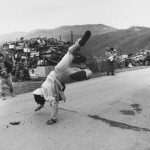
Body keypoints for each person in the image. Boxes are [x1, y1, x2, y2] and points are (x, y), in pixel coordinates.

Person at [33, 31, 93, 125]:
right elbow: (42, 95)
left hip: (62, 78)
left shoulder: (47, 93)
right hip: (57, 69)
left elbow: (53, 102)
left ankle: (87, 72)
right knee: (70, 53)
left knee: (86, 74)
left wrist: (53, 118)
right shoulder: (43, 87)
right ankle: (79, 44)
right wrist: (41, 105)